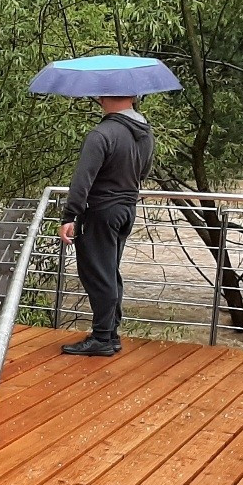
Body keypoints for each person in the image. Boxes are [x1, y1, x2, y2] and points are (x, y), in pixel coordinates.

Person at [58, 95, 155, 356]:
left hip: (100, 211)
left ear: (102, 97)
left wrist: (69, 216)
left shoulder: (101, 134)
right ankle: (110, 333)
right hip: (126, 210)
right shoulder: (145, 133)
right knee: (110, 272)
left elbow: (83, 179)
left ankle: (102, 338)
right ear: (134, 97)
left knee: (97, 274)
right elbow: (143, 173)